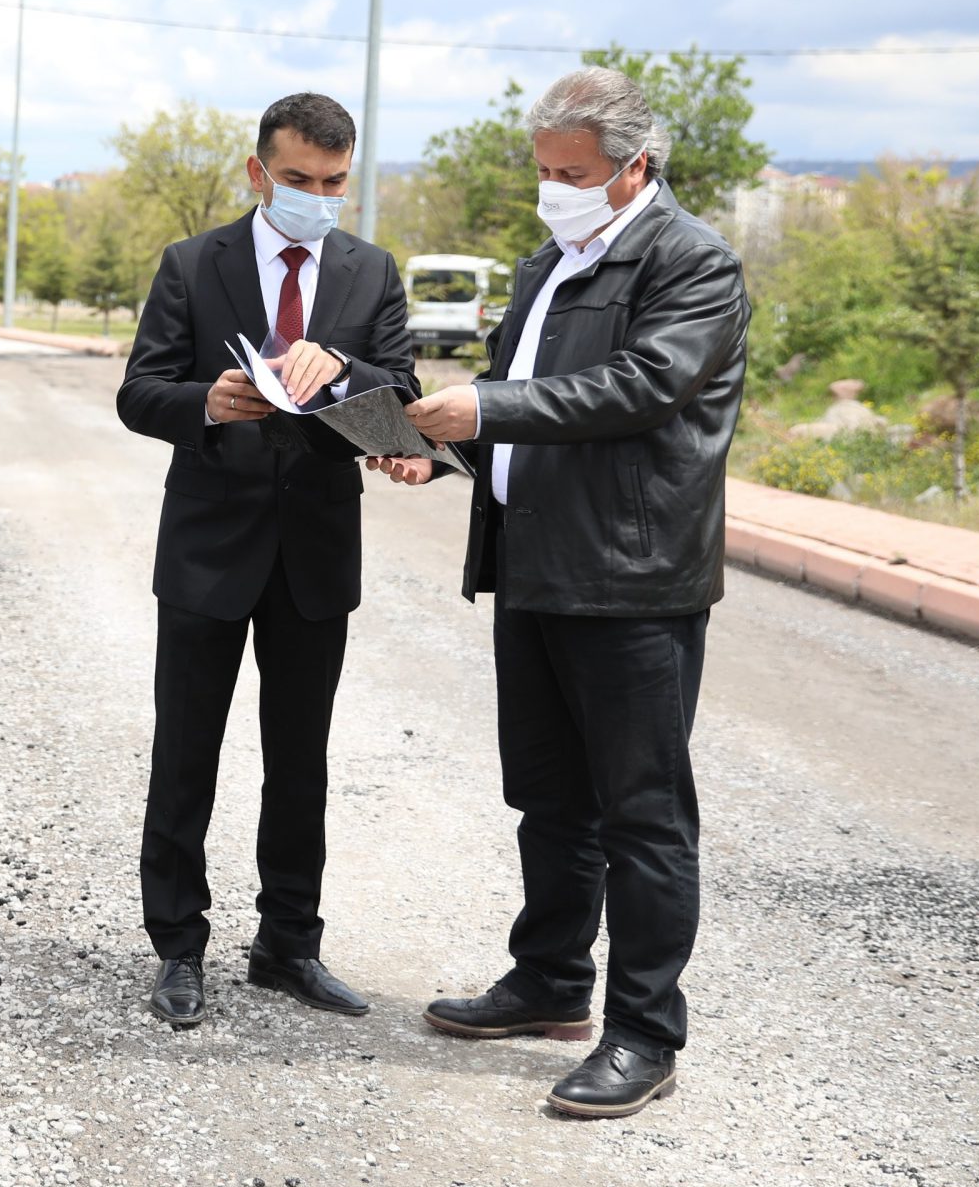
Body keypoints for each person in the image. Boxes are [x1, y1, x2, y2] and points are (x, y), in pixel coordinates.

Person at [381, 66, 748, 1117]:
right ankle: (549, 981)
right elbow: (523, 415)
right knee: (547, 798)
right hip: (536, 571)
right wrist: (434, 450)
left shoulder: (692, 263)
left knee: (641, 815)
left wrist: (484, 409)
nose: (554, 188)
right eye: (543, 170)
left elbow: (633, 389)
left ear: (635, 166)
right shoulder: (550, 260)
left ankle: (645, 1035)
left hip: (632, 582)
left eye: (573, 172)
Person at [116, 91, 419, 1029]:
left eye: (334, 182)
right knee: (186, 753)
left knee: (302, 761)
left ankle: (288, 943)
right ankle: (177, 947)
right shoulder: (191, 264)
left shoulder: (373, 273)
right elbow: (138, 391)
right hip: (209, 546)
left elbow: (402, 388)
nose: (316, 197)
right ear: (259, 173)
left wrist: (347, 371)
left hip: (317, 551)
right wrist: (206, 402)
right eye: (298, 180)